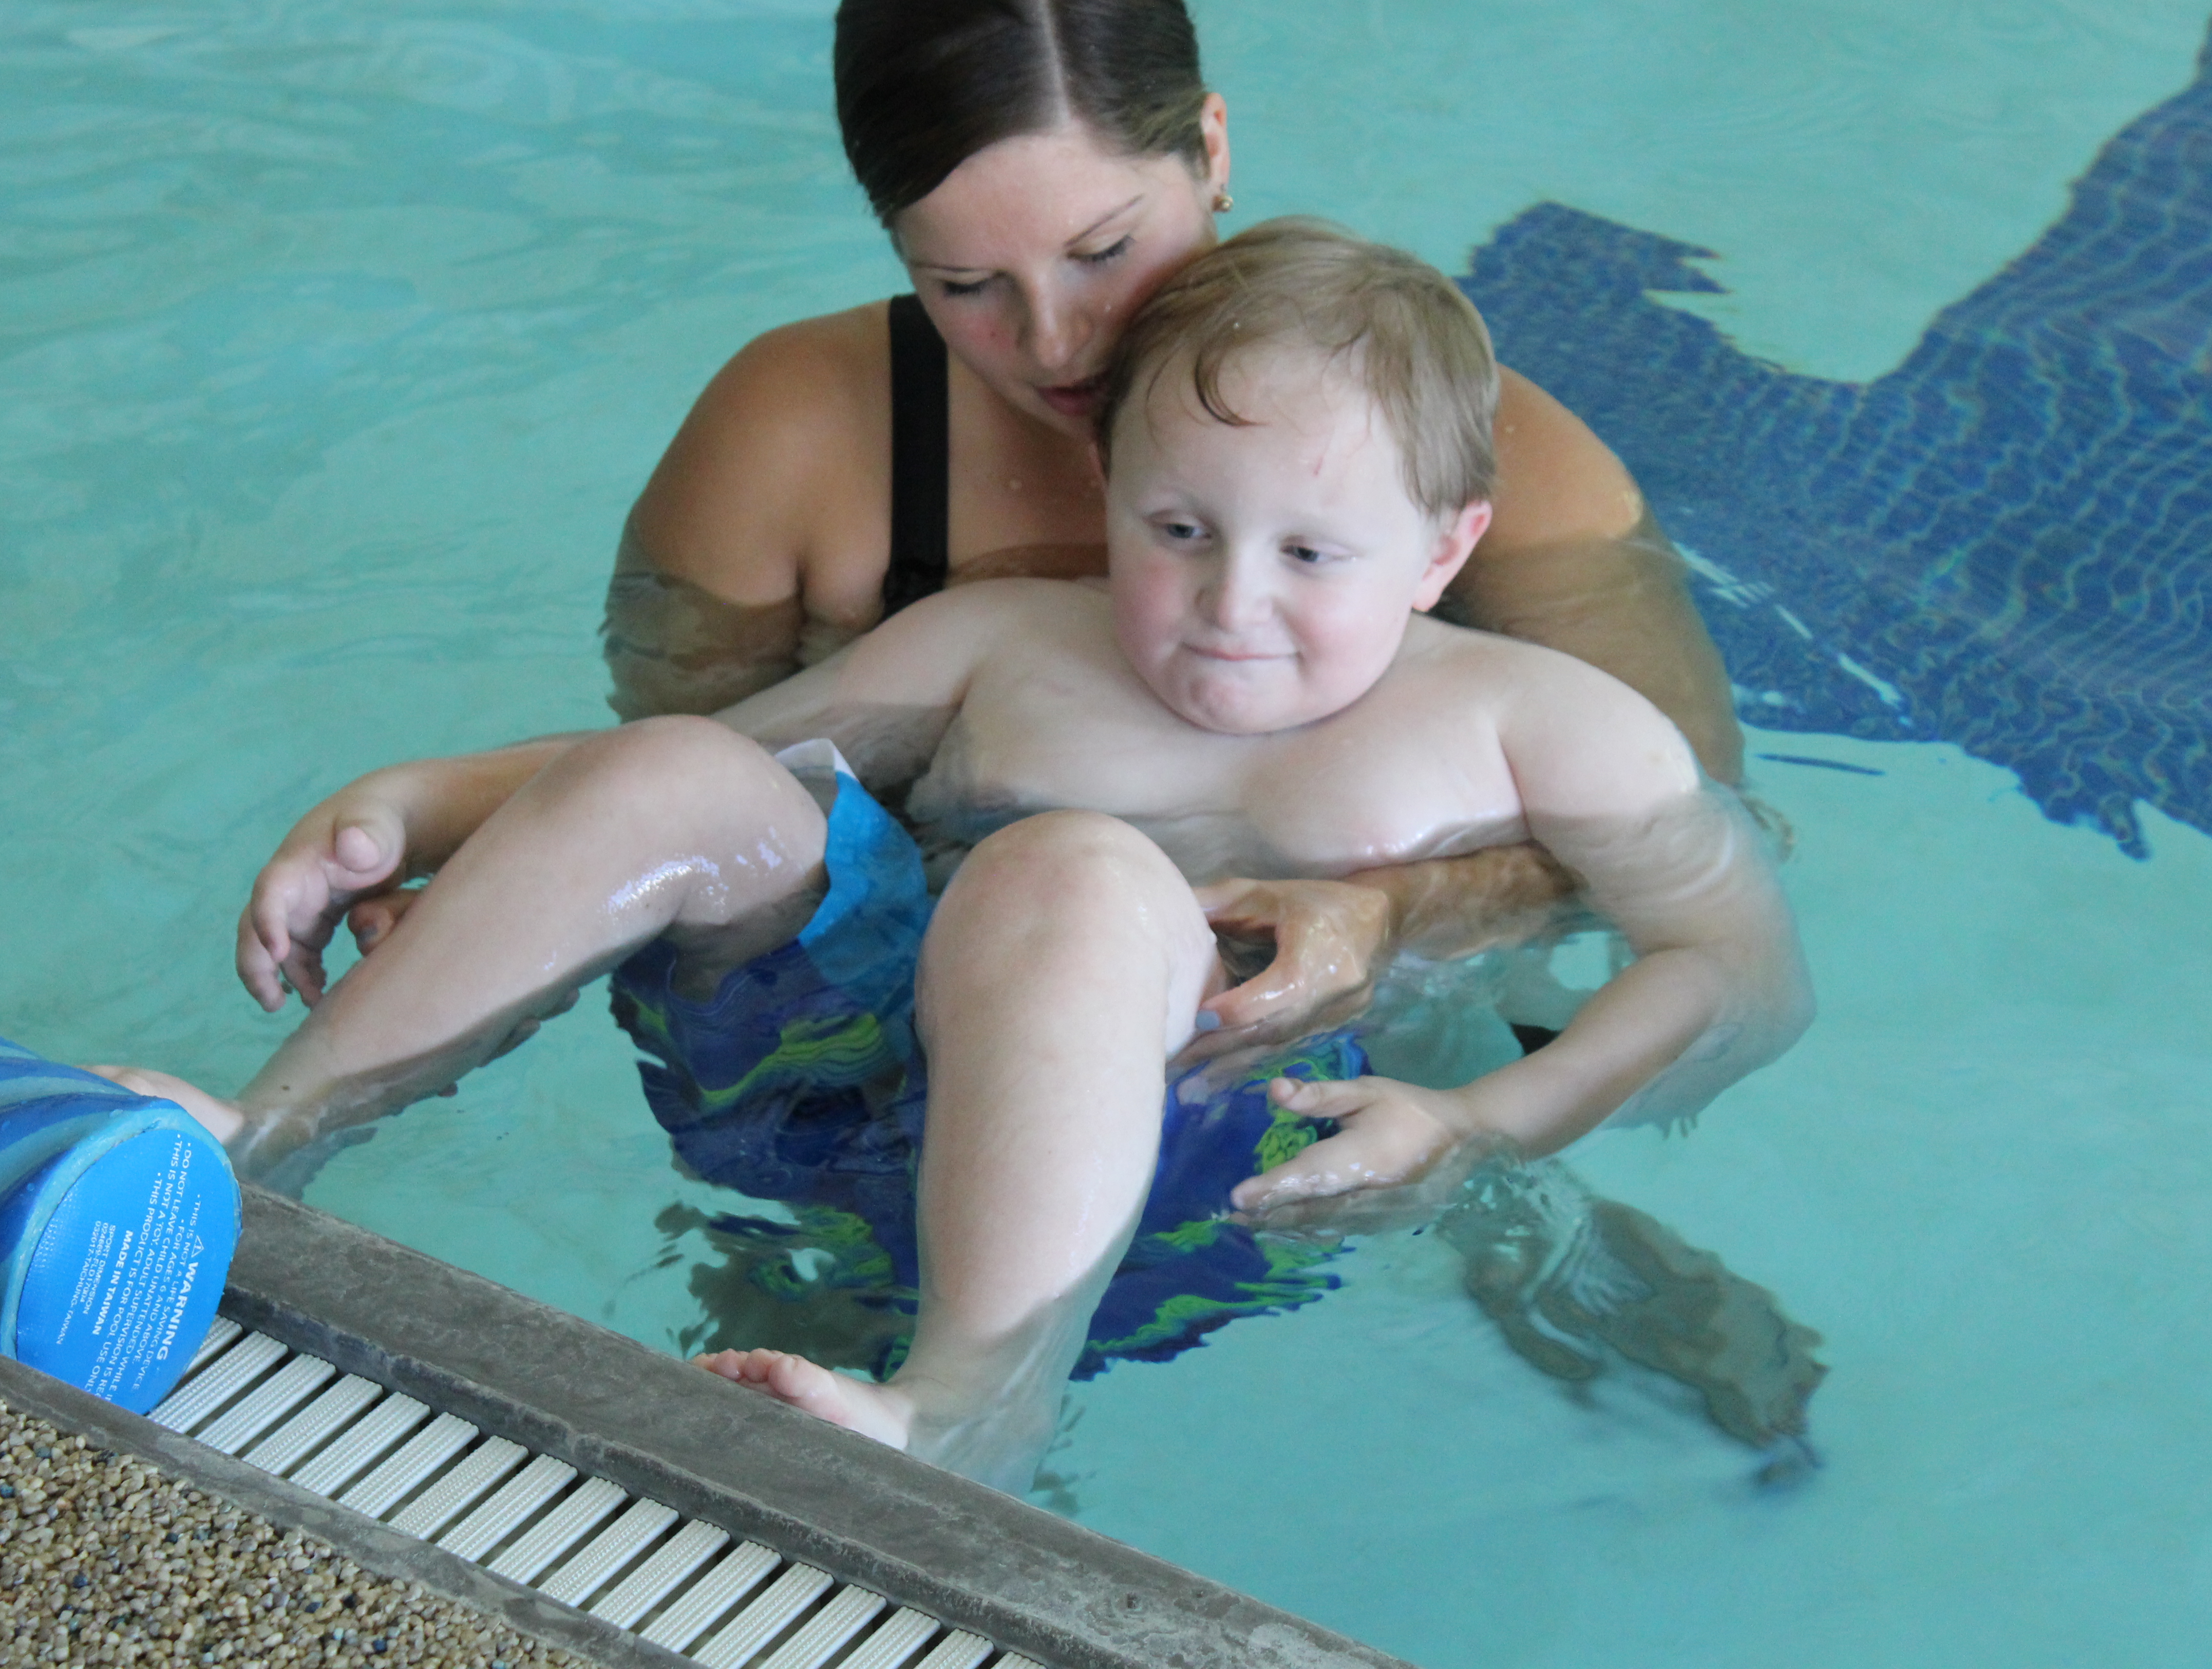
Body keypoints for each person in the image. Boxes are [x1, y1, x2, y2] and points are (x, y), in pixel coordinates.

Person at [104, 222, 1811, 1489]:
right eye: (1176, 530)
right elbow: (698, 775)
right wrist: (417, 798)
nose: (1229, 602)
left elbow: (1740, 972)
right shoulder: (1010, 639)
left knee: (1065, 870)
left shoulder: (1542, 727)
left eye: (1311, 551)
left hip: (1208, 1189)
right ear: (1107, 478)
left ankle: (972, 1406)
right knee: (687, 767)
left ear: (1447, 549)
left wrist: (1478, 1120)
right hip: (847, 1109)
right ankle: (268, 1135)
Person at [604, 0, 1748, 1055]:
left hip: (1336, 1052)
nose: (1057, 343)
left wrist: (1392, 911)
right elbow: (675, 814)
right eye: (964, 285)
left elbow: (1704, 837)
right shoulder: (794, 436)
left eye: (1102, 251)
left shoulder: (1497, 456)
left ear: (1211, 151)